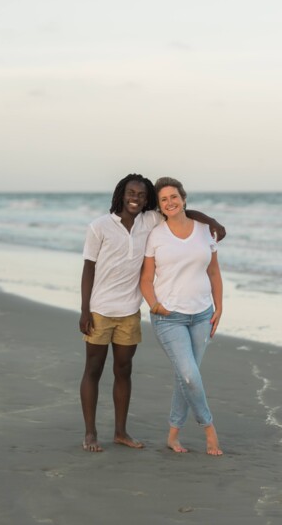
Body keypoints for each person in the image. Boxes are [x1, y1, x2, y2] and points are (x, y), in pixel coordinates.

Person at [79, 173, 226, 452]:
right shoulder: (99, 227)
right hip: (100, 310)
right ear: (122, 194)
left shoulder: (150, 220)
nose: (136, 198)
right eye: (131, 193)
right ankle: (90, 434)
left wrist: (212, 221)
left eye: (142, 195)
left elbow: (178, 210)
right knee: (94, 370)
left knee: (125, 371)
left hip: (130, 311)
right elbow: (88, 268)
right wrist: (84, 310)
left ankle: (122, 433)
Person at [140, 176, 223, 456]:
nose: (170, 202)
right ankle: (209, 429)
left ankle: (173, 435)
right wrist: (154, 305)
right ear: (160, 206)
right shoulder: (156, 235)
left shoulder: (204, 230)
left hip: (202, 314)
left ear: (184, 198)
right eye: (163, 199)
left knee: (186, 376)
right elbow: (146, 279)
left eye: (173, 197)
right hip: (169, 317)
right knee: (189, 375)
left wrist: (219, 307)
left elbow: (214, 272)